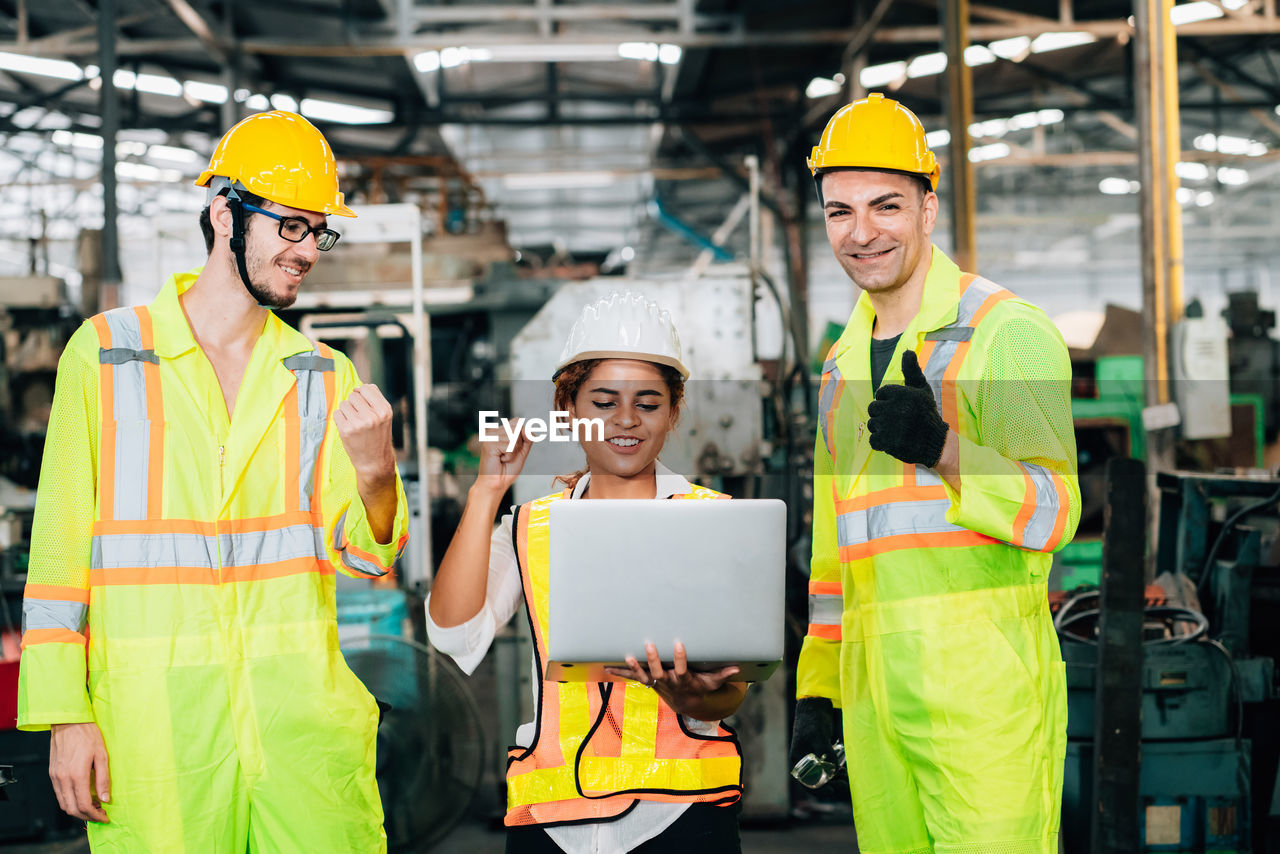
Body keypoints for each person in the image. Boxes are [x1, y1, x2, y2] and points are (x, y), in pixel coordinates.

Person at [17, 110, 409, 852]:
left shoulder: (322, 377)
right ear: (225, 214)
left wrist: (376, 472)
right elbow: (59, 559)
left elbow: (364, 555)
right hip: (161, 737)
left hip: (299, 734)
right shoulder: (105, 355)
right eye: (290, 226)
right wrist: (67, 716)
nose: (306, 253)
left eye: (316, 232)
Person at [790, 92, 1081, 854]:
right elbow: (833, 559)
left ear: (927, 208)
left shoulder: (1004, 332)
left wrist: (943, 449)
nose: (862, 232)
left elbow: (1055, 512)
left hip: (982, 696)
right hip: (875, 695)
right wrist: (819, 687)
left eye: (885, 205)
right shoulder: (839, 366)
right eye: (839, 211)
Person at [427, 292, 747, 853]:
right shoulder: (529, 527)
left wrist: (691, 696)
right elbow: (453, 635)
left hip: (677, 820)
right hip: (551, 825)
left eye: (648, 403)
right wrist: (486, 491)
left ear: (673, 412)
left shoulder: (712, 519)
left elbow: (733, 690)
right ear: (567, 409)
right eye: (603, 402)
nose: (625, 421)